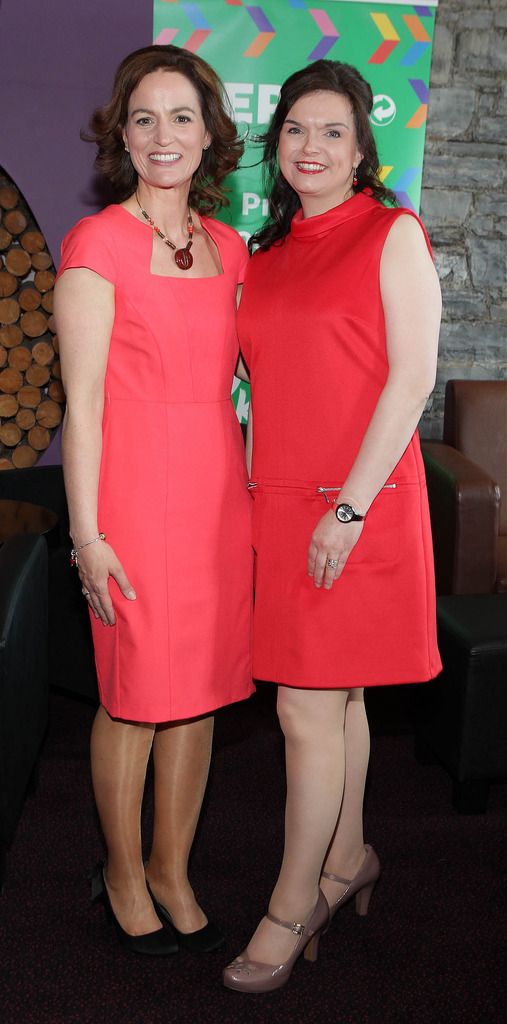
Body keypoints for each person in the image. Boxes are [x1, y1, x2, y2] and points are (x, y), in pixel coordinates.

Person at [223, 60, 442, 993]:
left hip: (357, 507)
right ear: (277, 147)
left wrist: (346, 511)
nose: (311, 148)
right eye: (296, 131)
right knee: (337, 700)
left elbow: (411, 381)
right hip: (276, 503)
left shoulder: (393, 233)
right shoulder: (263, 258)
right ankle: (350, 857)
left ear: (362, 149)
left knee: (302, 710)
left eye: (333, 132)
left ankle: (292, 901)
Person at [54, 44, 254, 956]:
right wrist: (87, 536)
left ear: (209, 132)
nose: (162, 135)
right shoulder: (96, 243)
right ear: (121, 136)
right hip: (129, 493)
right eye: (143, 117)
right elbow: (82, 406)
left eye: (181, 116)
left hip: (217, 492)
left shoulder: (230, 247)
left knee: (200, 693)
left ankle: (173, 867)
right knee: (135, 691)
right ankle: (123, 871)